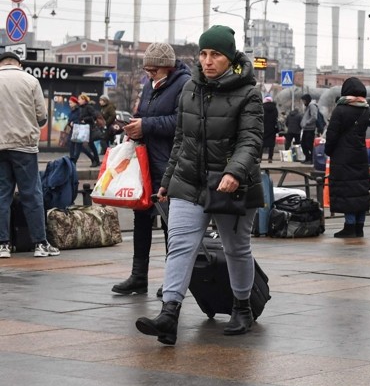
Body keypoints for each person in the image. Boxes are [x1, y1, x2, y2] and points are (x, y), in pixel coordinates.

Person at [135, 25, 264, 346]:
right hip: (189, 180)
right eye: (204, 53)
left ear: (230, 57)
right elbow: (181, 139)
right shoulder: (190, 88)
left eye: (216, 54)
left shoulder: (249, 93)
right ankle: (169, 314)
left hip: (229, 184)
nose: (208, 60)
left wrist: (234, 172)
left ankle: (242, 308)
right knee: (180, 245)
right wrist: (166, 181)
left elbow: (251, 139)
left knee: (236, 249)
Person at [111, 42, 191, 295]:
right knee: (141, 220)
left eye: (153, 70)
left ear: (166, 67)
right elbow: (142, 113)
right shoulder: (149, 86)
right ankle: (138, 276)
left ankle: (172, 281)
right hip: (145, 162)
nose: (148, 75)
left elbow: (182, 122)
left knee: (171, 224)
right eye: (146, 70)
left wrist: (146, 125)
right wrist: (132, 126)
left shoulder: (184, 84)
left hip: (170, 163)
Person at [0, 51, 61, 259]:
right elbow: (42, 116)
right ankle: (40, 244)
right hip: (25, 146)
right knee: (31, 194)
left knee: (2, 195)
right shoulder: (30, 80)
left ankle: (3, 245)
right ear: (19, 63)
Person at [324, 78, 370, 238]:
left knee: (347, 190)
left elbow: (332, 134)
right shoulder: (366, 109)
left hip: (343, 154)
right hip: (360, 153)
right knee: (359, 189)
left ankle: (349, 226)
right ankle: (359, 227)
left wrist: (329, 150)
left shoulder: (341, 109)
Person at [69, 94, 101, 167]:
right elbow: (78, 117)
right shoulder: (80, 108)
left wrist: (85, 119)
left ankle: (96, 160)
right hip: (82, 128)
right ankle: (95, 160)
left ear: (84, 100)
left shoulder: (88, 107)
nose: (78, 101)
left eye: (80, 99)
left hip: (89, 128)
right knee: (80, 145)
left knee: (91, 145)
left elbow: (94, 116)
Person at [299, 93, 319, 164]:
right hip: (306, 129)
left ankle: (311, 159)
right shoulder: (307, 107)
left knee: (308, 144)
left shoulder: (312, 106)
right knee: (303, 144)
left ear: (307, 100)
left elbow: (314, 117)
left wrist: (307, 122)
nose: (303, 102)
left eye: (304, 101)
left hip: (310, 129)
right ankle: (307, 158)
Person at [261, 95, 279, 163]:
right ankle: (270, 158)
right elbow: (276, 118)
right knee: (271, 144)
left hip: (263, 128)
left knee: (262, 143)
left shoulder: (262, 107)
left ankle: (259, 158)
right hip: (272, 128)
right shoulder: (275, 108)